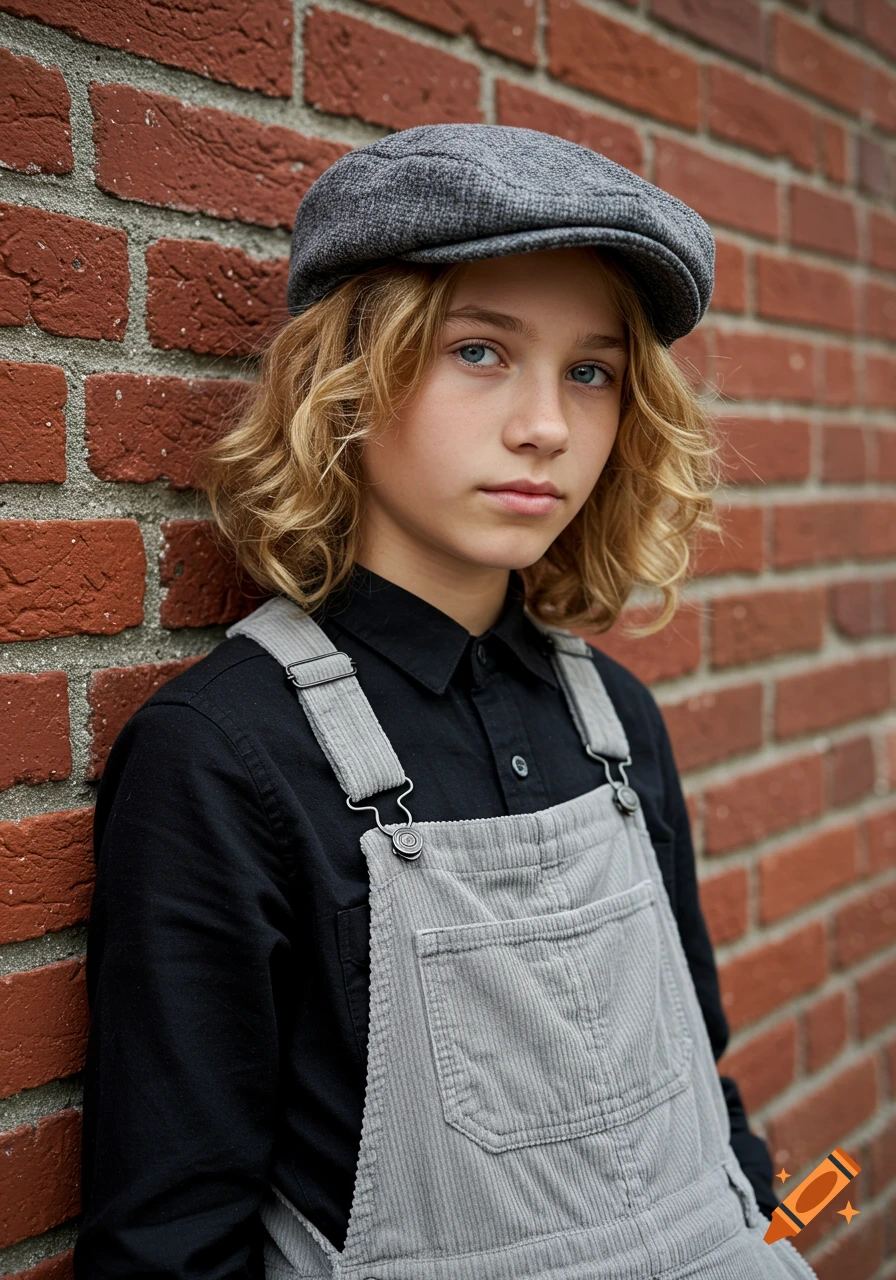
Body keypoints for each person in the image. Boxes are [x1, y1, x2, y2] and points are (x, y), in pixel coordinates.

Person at [75, 124, 819, 1279]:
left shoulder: (617, 723)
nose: (546, 425)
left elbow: (696, 1080)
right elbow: (170, 1242)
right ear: (348, 374)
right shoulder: (229, 757)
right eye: (480, 351)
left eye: (590, 370)